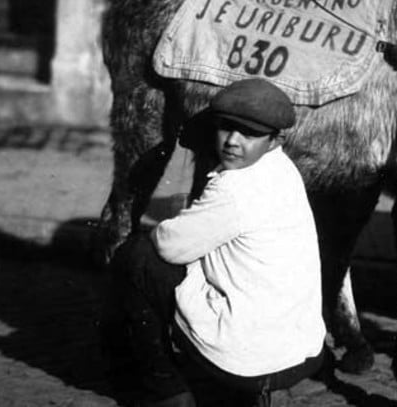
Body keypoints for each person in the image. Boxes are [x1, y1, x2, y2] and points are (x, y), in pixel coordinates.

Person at [110, 78, 326, 406]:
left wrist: (164, 231)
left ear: (274, 140)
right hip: (300, 350)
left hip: (251, 359)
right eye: (226, 128)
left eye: (249, 134)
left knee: (137, 256)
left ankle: (168, 391)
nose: (233, 142)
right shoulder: (283, 169)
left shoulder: (235, 187)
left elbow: (169, 245)